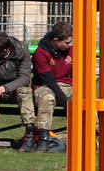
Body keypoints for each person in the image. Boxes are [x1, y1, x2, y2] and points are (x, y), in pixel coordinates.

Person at [0, 32, 37, 151]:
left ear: (5, 50)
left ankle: (30, 136)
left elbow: (25, 78)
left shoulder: (21, 49)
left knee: (25, 92)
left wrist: (4, 88)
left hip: (16, 87)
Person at [31, 21, 74, 153]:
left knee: (86, 98)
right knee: (47, 98)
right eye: (66, 43)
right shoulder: (41, 53)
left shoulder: (72, 49)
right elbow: (49, 81)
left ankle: (90, 134)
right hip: (45, 86)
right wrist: (65, 102)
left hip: (67, 85)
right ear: (55, 40)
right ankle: (44, 138)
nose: (69, 45)